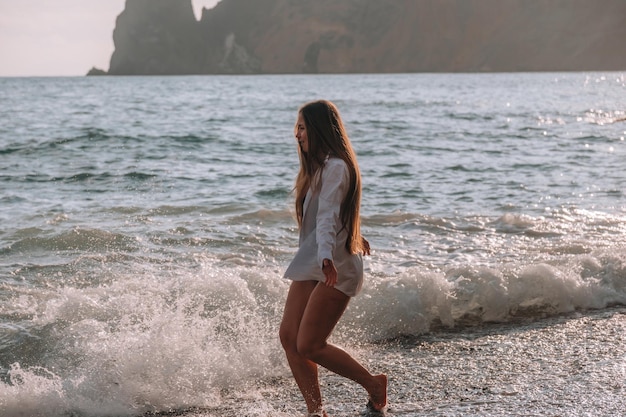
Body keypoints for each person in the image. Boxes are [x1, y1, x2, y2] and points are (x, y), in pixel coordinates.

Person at [279, 100, 388, 417]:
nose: (297, 134)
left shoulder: (337, 167)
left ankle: (373, 384)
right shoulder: (323, 167)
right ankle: (316, 411)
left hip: (334, 265)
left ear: (318, 129)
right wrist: (353, 231)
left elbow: (327, 217)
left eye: (302, 127)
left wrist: (327, 256)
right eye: (296, 127)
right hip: (318, 257)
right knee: (289, 336)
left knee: (309, 344)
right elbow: (334, 212)